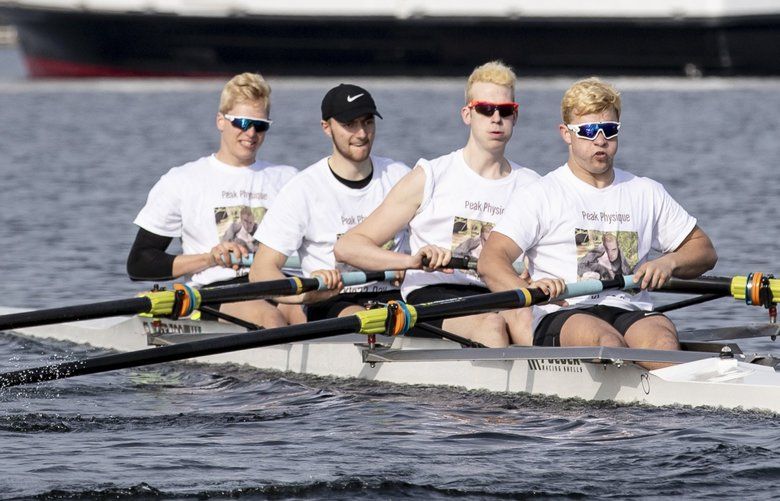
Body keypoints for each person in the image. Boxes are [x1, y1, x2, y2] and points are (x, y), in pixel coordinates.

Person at [478, 77, 717, 368]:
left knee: (663, 341)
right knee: (608, 343)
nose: (600, 140)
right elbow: (491, 261)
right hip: (562, 311)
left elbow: (704, 250)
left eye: (609, 130)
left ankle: (670, 405)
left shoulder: (646, 191)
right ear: (566, 134)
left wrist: (670, 263)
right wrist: (529, 291)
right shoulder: (541, 194)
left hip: (628, 308)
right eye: (589, 131)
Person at [334, 61, 540, 347]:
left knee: (527, 317)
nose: (496, 118)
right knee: (493, 324)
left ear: (515, 117)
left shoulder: (532, 185)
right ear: (467, 114)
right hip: (433, 296)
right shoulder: (430, 176)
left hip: (499, 292)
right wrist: (410, 261)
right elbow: (348, 246)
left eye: (505, 111)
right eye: (485, 109)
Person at [127, 72, 297, 328]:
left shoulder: (288, 179)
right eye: (241, 122)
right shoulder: (183, 180)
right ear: (220, 121)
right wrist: (209, 258)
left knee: (300, 314)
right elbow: (140, 262)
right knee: (270, 318)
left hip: (279, 283)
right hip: (217, 292)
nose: (250, 133)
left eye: (260, 125)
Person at [248, 84, 410, 322]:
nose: (362, 134)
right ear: (326, 127)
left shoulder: (400, 176)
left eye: (367, 122)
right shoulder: (303, 189)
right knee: (375, 320)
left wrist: (412, 263)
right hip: (332, 300)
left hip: (395, 297)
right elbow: (261, 272)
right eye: (349, 125)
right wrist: (305, 296)